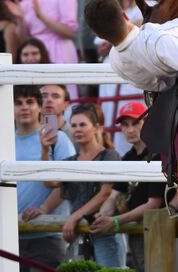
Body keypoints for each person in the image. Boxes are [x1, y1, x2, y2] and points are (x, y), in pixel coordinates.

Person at [38, 104, 125, 267]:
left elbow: (105, 193)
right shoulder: (70, 161)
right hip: (78, 233)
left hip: (104, 231)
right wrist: (45, 150)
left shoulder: (109, 155)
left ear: (97, 128)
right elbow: (49, 182)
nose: (77, 129)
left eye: (83, 125)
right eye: (74, 125)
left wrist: (74, 217)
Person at [90, 102, 165, 272]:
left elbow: (154, 204)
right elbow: (113, 196)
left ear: (148, 123)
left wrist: (115, 221)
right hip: (138, 231)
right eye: (125, 125)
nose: (130, 129)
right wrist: (101, 217)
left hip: (160, 232)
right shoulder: (128, 158)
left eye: (135, 123)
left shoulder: (160, 154)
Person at [12, 85, 75, 271]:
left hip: (48, 235)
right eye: (18, 103)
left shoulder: (59, 139)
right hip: (10, 234)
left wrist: (43, 208)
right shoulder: (3, 140)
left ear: (39, 107)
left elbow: (66, 183)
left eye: (30, 102)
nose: (24, 107)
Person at [95, 36, 144, 155]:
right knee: (111, 112)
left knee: (137, 112)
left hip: (136, 59)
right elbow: (99, 42)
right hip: (111, 62)